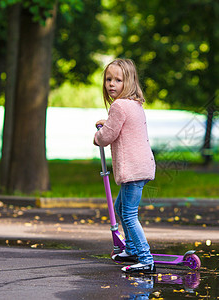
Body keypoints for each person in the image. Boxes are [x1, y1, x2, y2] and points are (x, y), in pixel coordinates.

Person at [93, 58, 156, 274]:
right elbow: (120, 126)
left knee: (128, 214)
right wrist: (107, 123)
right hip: (142, 167)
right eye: (108, 79)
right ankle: (130, 249)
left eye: (118, 80)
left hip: (133, 170)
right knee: (121, 207)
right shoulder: (134, 105)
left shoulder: (119, 105)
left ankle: (145, 258)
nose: (111, 84)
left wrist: (97, 136)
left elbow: (108, 135)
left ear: (128, 82)